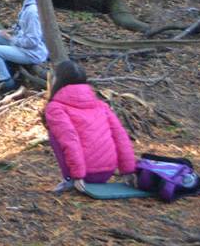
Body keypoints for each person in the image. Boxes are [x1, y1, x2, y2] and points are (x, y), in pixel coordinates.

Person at [43, 61, 138, 193]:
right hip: (108, 171)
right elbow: (121, 137)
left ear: (57, 80)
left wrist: (77, 176)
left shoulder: (55, 108)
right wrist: (128, 170)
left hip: (85, 174)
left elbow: (70, 141)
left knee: (57, 134)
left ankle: (69, 180)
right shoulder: (101, 105)